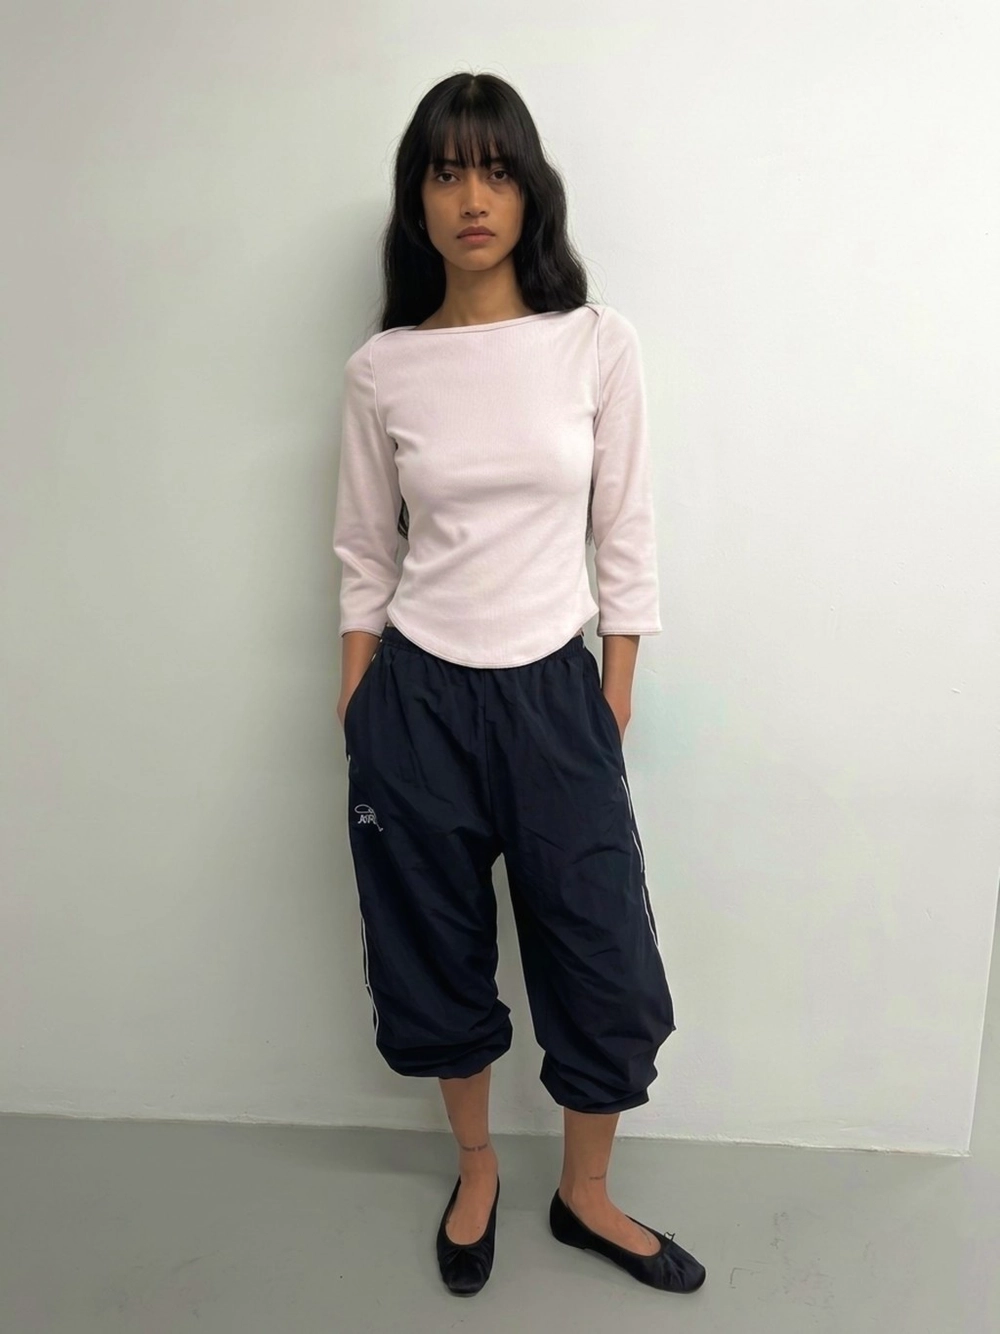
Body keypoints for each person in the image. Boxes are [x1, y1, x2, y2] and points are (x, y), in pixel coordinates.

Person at [331, 70, 706, 1299]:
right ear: (418, 202)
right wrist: (358, 702)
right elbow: (365, 550)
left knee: (602, 960)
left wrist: (613, 686)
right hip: (417, 702)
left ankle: (585, 1192)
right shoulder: (383, 369)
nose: (472, 197)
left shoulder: (593, 343)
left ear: (530, 189)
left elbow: (625, 530)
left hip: (554, 695)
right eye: (446, 173)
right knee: (434, 951)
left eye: (494, 169)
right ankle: (479, 1165)